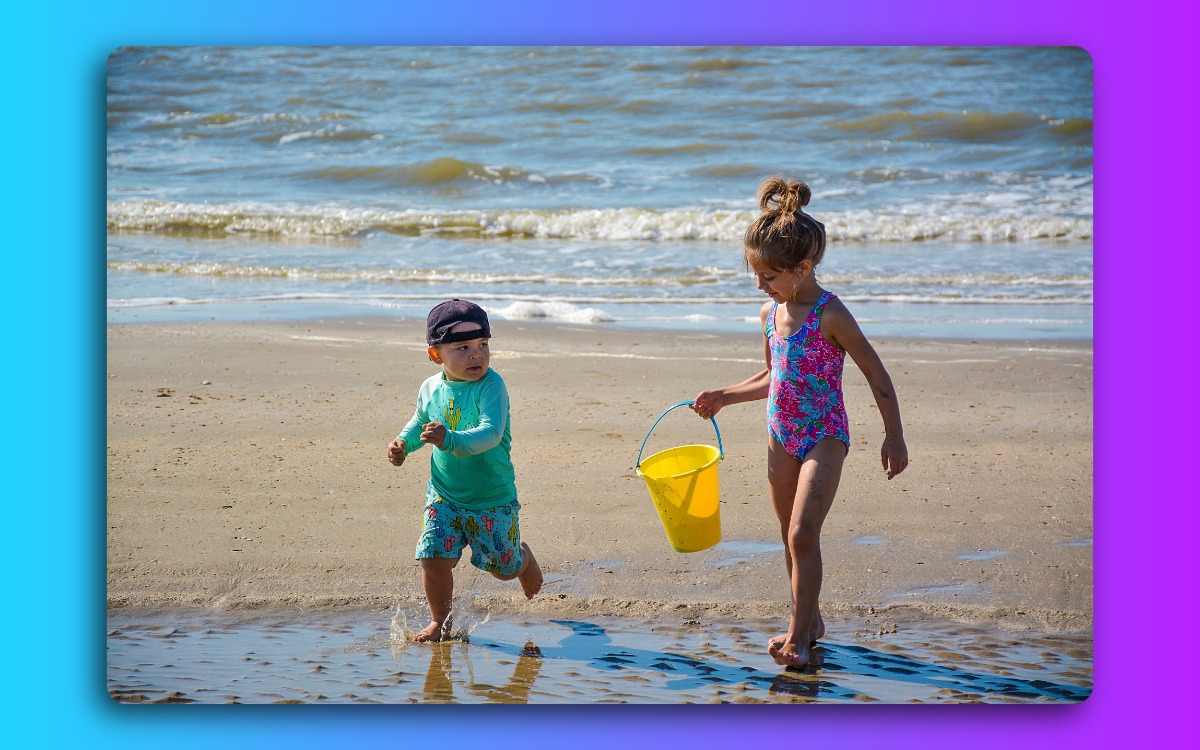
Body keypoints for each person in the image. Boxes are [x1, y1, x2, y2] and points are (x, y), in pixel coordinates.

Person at [691, 177, 908, 669]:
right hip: (780, 435)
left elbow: (876, 372)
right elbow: (774, 375)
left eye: (769, 276)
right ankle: (809, 622)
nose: (761, 285)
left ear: (803, 268)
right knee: (788, 536)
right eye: (757, 275)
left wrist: (894, 435)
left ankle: (798, 639)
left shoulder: (831, 314)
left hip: (824, 435)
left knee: (802, 534)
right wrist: (724, 395)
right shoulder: (770, 313)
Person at [387, 299, 543, 643]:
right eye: (463, 347)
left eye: (483, 345)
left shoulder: (491, 386)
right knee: (433, 557)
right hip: (444, 495)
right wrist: (403, 443)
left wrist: (449, 439)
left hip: (491, 497)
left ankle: (524, 561)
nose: (476, 355)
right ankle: (440, 623)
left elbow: (491, 434)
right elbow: (419, 423)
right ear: (435, 354)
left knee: (502, 568)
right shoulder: (430, 388)